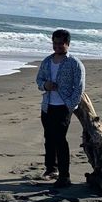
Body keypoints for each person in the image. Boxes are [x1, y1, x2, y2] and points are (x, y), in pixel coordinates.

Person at [35, 29, 85, 188]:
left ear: (68, 44)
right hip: (47, 106)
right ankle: (51, 169)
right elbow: (39, 80)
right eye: (55, 43)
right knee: (49, 138)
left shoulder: (75, 63)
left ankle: (65, 176)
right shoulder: (47, 61)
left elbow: (79, 88)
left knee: (60, 140)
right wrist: (45, 85)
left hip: (63, 107)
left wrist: (70, 105)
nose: (57, 46)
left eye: (60, 43)